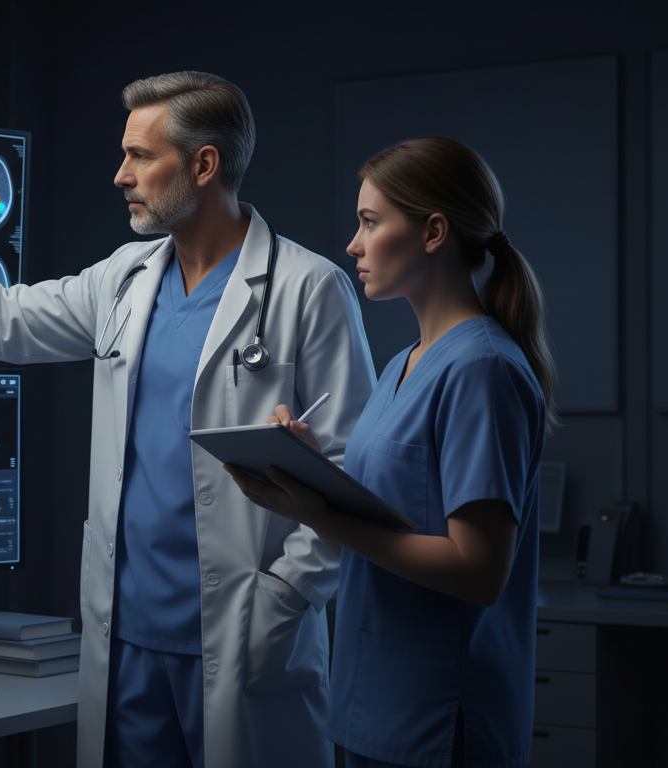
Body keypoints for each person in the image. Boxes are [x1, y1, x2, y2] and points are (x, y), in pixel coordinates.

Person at [0, 71, 376, 767]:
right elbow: (5, 319)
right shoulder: (124, 278)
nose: (119, 176)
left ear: (204, 164)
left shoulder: (307, 288)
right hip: (126, 638)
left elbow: (353, 470)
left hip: (245, 636)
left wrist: (284, 595)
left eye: (140, 156)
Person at [226, 136, 557, 768]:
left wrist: (323, 517)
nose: (353, 243)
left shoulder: (482, 369)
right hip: (369, 702)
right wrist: (309, 466)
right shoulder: (401, 364)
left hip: (438, 719)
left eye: (370, 222)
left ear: (434, 232)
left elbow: (480, 571)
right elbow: (404, 500)